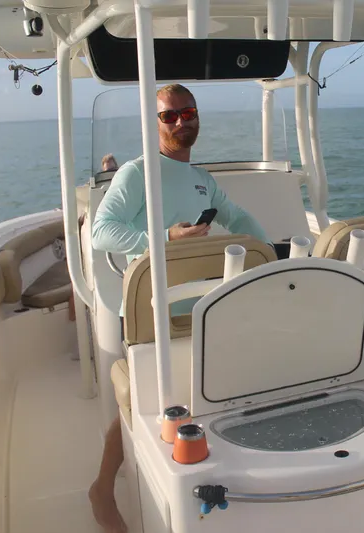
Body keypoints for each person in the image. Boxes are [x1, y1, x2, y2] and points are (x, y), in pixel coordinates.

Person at [88, 83, 270, 533]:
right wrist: (164, 239)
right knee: (147, 397)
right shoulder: (137, 173)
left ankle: (196, 472)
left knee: (196, 383)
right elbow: (101, 231)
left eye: (186, 112)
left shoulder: (202, 179)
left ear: (197, 116)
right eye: (168, 116)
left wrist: (268, 251)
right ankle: (103, 487)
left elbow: (236, 216)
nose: (179, 122)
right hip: (149, 298)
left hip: (198, 297)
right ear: (154, 124)